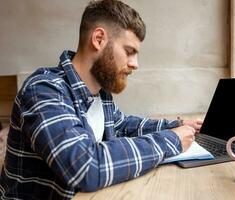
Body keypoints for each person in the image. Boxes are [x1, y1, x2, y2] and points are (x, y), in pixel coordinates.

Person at [0, 0, 201, 199]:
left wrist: (177, 125)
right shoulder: (43, 90)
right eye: (129, 52)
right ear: (98, 39)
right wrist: (171, 140)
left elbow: (124, 125)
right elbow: (85, 167)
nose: (135, 64)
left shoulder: (99, 94)